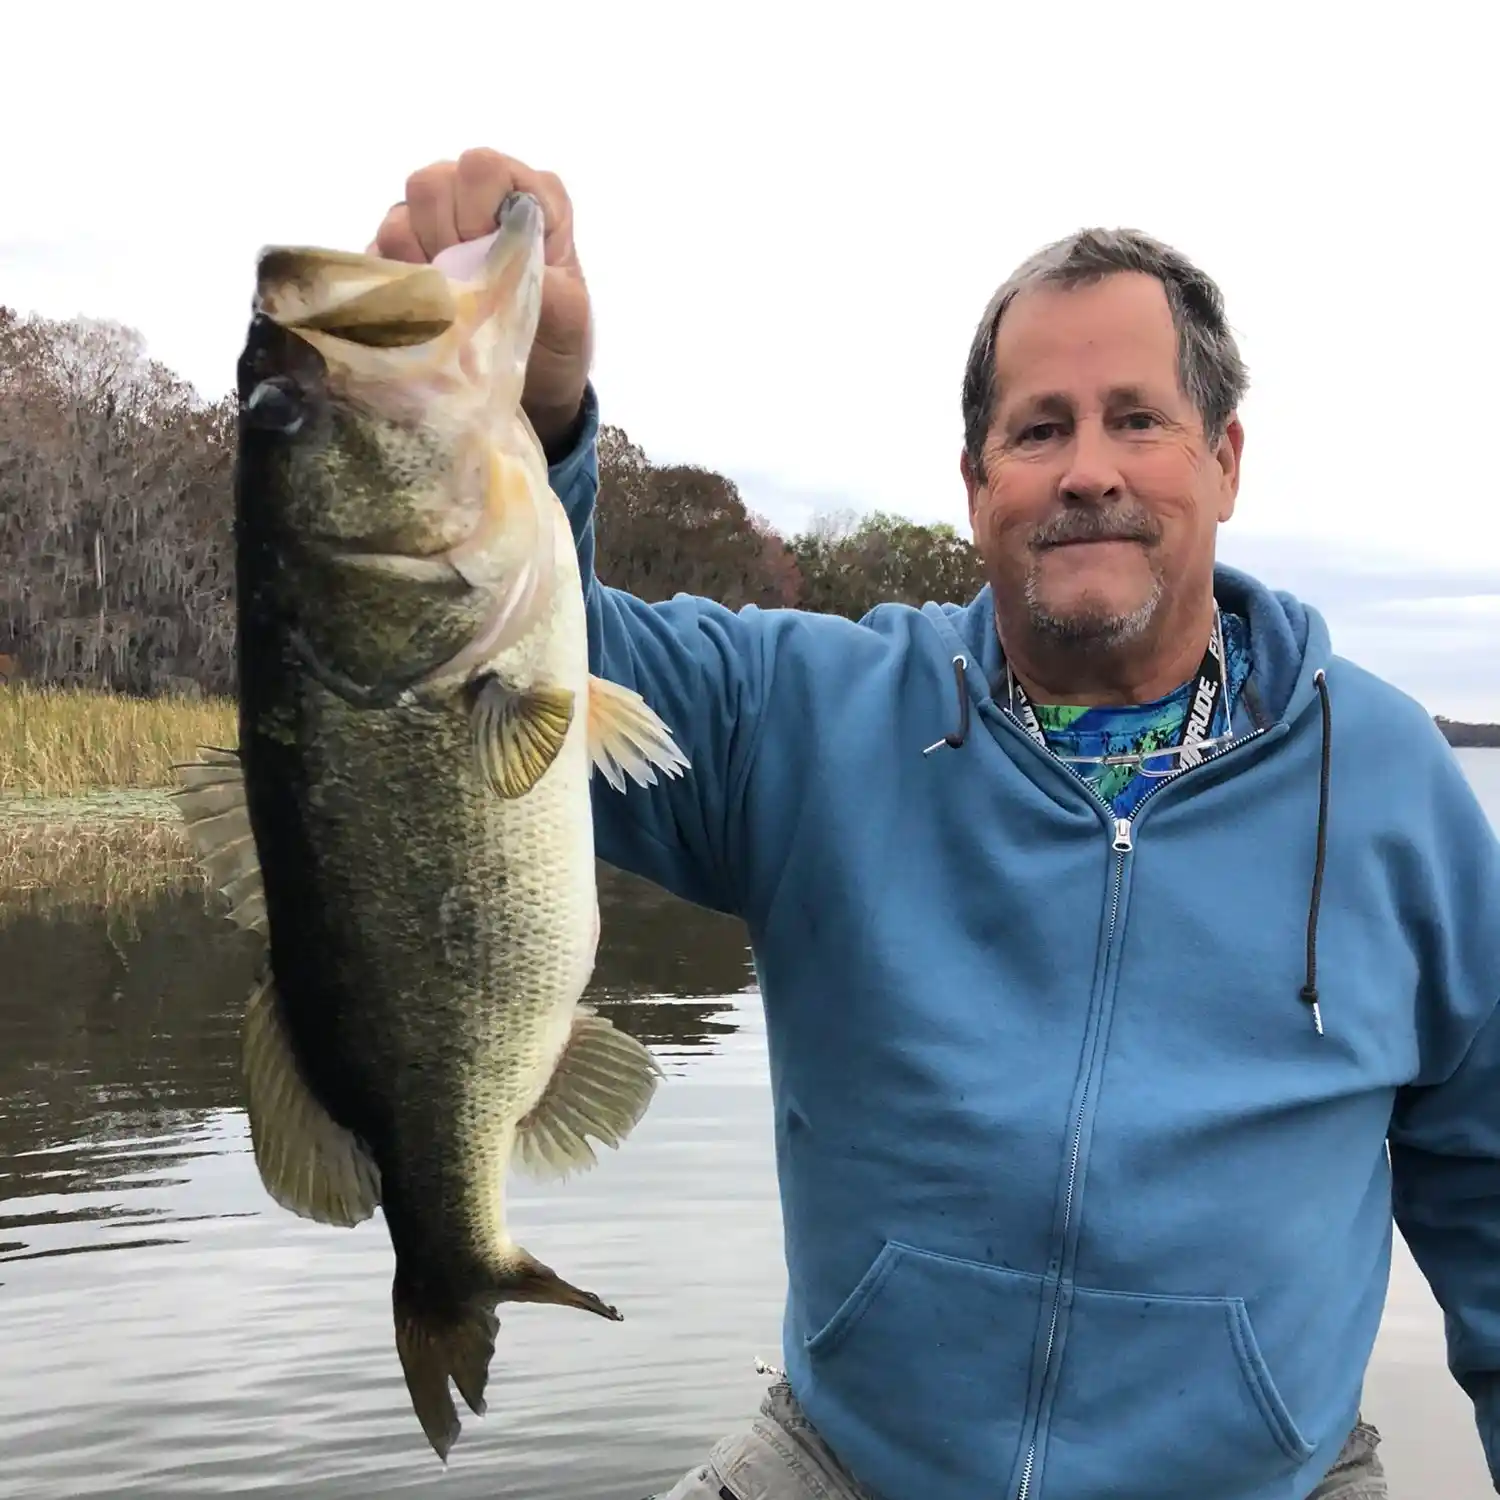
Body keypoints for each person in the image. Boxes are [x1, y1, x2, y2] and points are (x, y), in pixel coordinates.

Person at [370, 150, 1500, 1500]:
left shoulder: (1387, 780)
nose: (1088, 471)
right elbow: (497, 669)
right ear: (976, 485)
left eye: (1137, 419)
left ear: (1226, 459)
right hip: (848, 1464)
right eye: (1039, 430)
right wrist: (516, 419)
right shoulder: (810, 716)